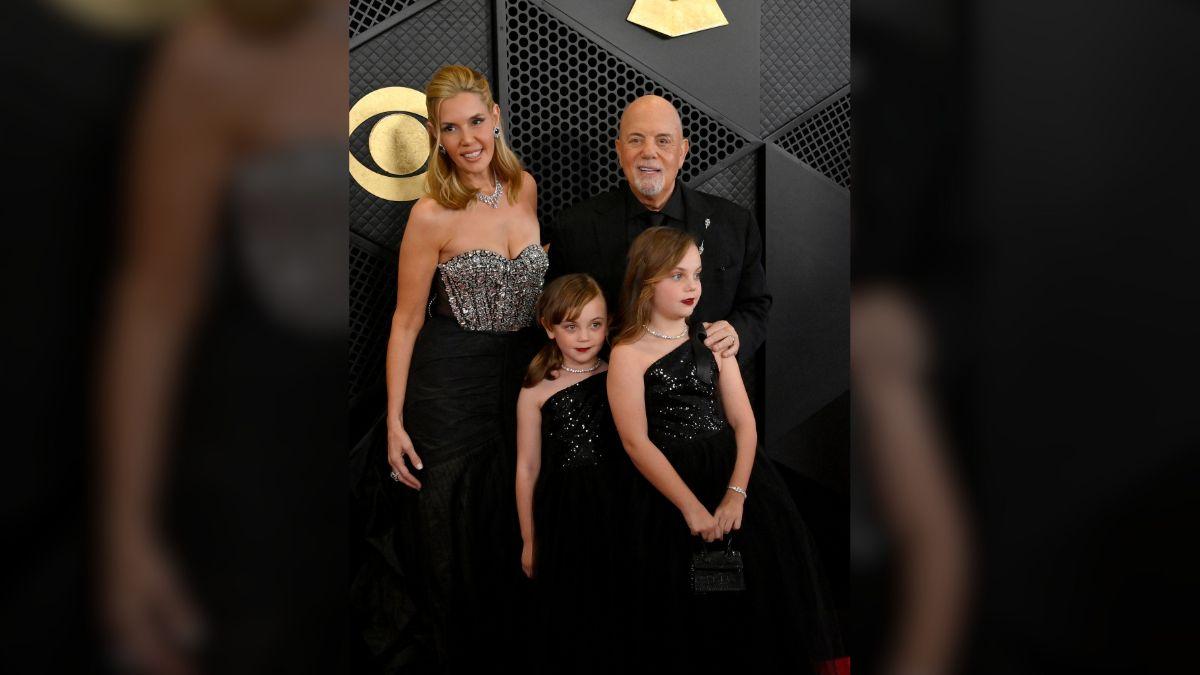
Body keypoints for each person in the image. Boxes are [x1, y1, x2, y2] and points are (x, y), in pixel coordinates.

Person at [366, 64, 546, 671]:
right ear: (435, 137)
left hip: (518, 380)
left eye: (476, 121)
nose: (468, 139)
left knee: (507, 520)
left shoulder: (526, 187)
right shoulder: (430, 215)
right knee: (446, 527)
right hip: (447, 386)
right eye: (451, 128)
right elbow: (406, 322)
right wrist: (394, 420)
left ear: (495, 118)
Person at [606, 227, 842, 672]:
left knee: (749, 609)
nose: (692, 286)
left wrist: (736, 493)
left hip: (732, 477)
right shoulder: (626, 354)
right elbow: (636, 443)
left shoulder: (714, 338)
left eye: (696, 274)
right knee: (685, 616)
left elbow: (745, 423)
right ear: (646, 279)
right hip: (667, 492)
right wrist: (691, 508)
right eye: (677, 275)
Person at [547, 94, 770, 368]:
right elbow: (555, 313)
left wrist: (737, 331)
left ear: (682, 152)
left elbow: (756, 306)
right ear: (619, 150)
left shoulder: (735, 223)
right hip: (604, 394)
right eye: (636, 140)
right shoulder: (574, 227)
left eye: (663, 141)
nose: (648, 152)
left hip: (708, 393)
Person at [514, 274, 628, 674]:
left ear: (608, 323)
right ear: (549, 327)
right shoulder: (535, 389)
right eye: (571, 325)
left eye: (595, 325)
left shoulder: (619, 373)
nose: (584, 337)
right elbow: (527, 468)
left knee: (623, 608)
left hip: (622, 505)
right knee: (574, 613)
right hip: (566, 513)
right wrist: (529, 538)